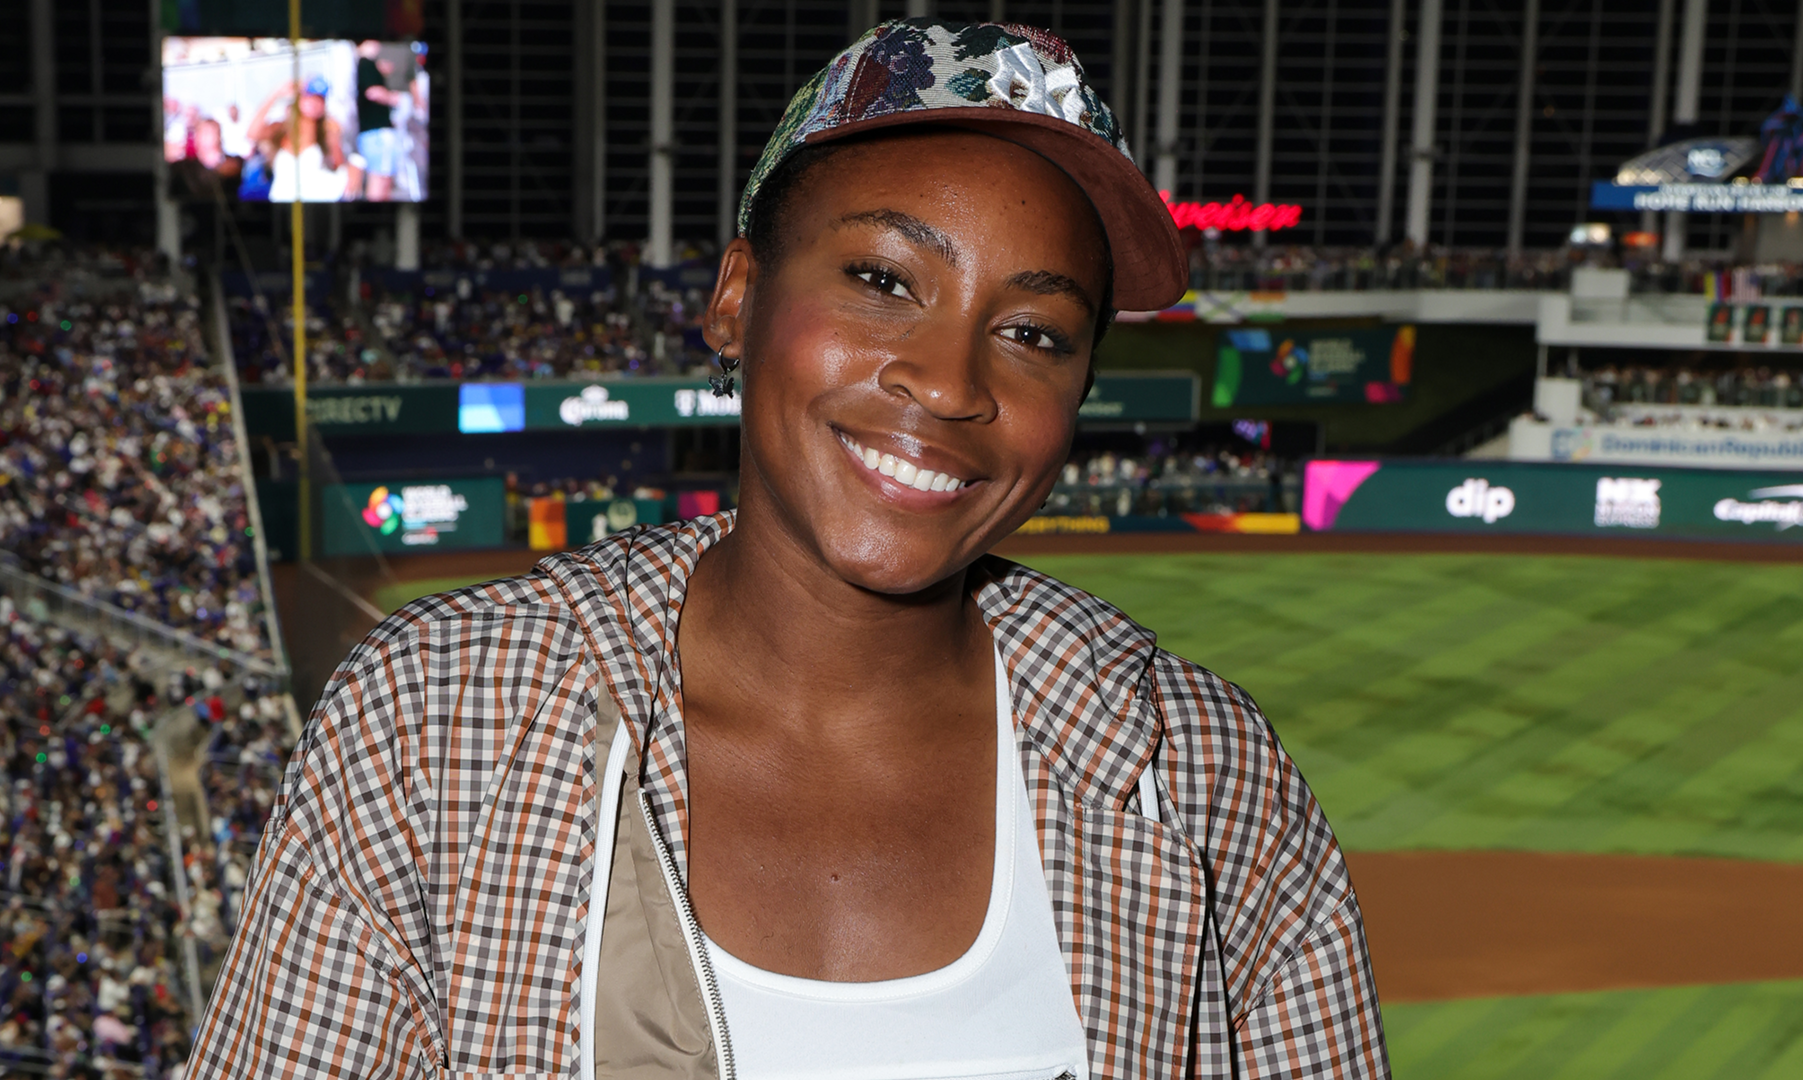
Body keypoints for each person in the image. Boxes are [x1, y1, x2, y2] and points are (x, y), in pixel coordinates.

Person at [189, 19, 1386, 1079]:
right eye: (882, 278)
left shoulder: (1207, 774)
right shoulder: (437, 722)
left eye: (1033, 330)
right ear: (734, 297)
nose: (949, 381)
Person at [248, 75, 359, 203]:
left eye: (320, 99)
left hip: (316, 203)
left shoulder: (327, 131)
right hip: (282, 202)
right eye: (309, 97)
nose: (314, 103)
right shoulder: (281, 128)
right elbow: (252, 133)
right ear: (299, 99)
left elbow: (339, 167)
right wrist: (276, 94)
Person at [355, 40, 405, 201]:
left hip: (376, 133)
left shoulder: (367, 65)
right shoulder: (365, 63)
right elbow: (372, 92)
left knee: (384, 181)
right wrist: (395, 98)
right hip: (377, 133)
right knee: (379, 182)